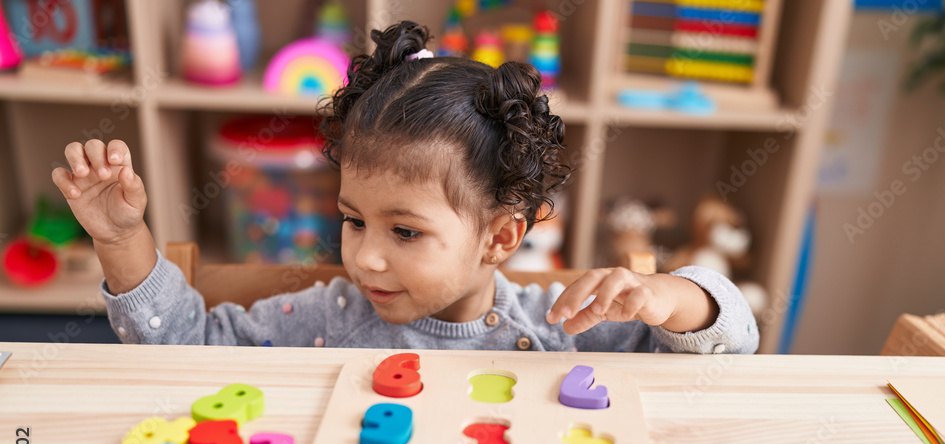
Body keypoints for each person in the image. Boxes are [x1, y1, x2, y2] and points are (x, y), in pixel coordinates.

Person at [51, 21, 758, 354]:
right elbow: (186, 349)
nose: (365, 259)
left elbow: (736, 340)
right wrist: (121, 241)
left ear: (502, 236)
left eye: (407, 231)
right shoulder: (322, 321)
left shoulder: (558, 327)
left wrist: (673, 296)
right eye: (353, 220)